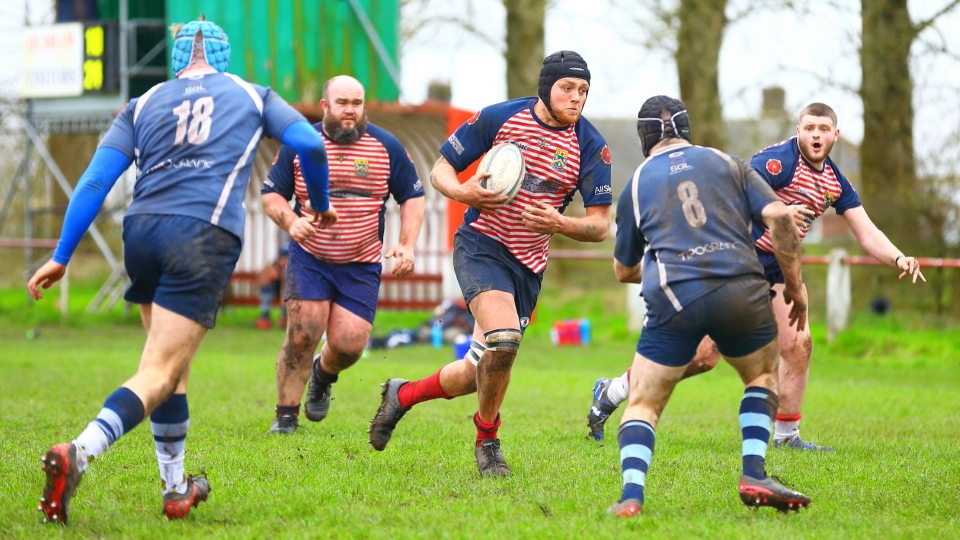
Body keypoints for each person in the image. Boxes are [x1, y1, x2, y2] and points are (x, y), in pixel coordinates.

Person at [26, 17, 336, 525]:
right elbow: (313, 145)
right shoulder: (252, 94)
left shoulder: (143, 102)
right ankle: (77, 453)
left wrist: (62, 255)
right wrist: (319, 205)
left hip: (141, 232)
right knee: (161, 370)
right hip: (200, 235)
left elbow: (94, 181)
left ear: (178, 59)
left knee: (170, 366)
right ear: (223, 57)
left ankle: (175, 490)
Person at [588, 102, 927, 448]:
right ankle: (613, 390)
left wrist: (899, 258)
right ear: (798, 130)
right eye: (809, 127)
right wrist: (776, 213)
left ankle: (786, 435)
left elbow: (865, 232)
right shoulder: (776, 162)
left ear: (835, 135)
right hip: (739, 258)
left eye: (823, 129)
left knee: (798, 345)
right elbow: (730, 193)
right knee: (703, 357)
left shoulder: (835, 181)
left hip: (779, 264)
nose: (816, 135)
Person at [367, 51, 613, 476]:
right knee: (503, 338)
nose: (576, 98)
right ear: (546, 87)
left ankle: (401, 395)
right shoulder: (500, 118)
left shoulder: (590, 145)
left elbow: (600, 226)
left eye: (584, 91)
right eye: (567, 88)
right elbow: (442, 169)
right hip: (481, 245)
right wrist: (465, 194)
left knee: (475, 370)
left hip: (529, 266)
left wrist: (560, 222)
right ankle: (488, 441)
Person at [607, 95, 811, 517]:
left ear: (644, 136)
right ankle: (754, 471)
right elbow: (781, 218)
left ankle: (631, 498)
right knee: (760, 376)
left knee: (644, 403)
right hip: (742, 286)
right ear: (687, 129)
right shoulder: (729, 162)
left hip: (675, 297)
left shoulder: (637, 183)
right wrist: (795, 286)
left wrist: (662, 261)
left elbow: (623, 271)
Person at [263, 75, 425, 435]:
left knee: (350, 344)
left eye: (357, 102)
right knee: (303, 334)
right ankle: (286, 416)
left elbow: (412, 196)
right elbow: (270, 195)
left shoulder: (387, 147)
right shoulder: (300, 143)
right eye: (342, 103)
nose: (350, 110)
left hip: (361, 262)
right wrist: (291, 221)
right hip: (311, 257)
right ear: (325, 107)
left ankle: (323, 373)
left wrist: (406, 243)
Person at [254, 244, 289, 330]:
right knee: (265, 287)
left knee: (286, 290)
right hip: (274, 292)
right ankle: (265, 317)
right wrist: (271, 273)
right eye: (282, 258)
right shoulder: (274, 266)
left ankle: (283, 316)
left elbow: (284, 290)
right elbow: (261, 280)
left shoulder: (292, 270)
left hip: (288, 295)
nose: (283, 261)